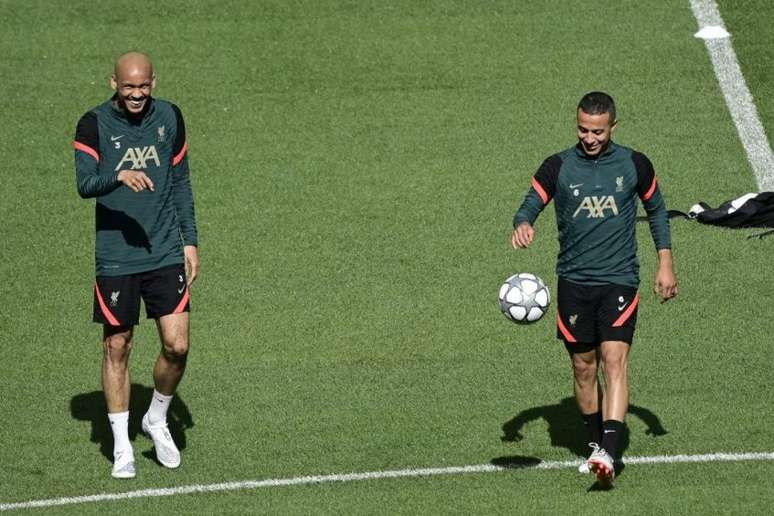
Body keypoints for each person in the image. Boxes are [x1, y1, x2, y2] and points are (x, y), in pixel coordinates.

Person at [511, 92, 677, 487]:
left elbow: (656, 210)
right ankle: (594, 447)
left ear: (613, 128)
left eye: (598, 131)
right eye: (583, 130)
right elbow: (530, 201)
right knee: (584, 368)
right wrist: (523, 222)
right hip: (574, 282)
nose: (589, 138)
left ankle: (609, 449)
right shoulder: (559, 166)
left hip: (620, 278)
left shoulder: (634, 163)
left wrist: (665, 263)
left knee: (614, 360)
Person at [73, 52, 199, 479]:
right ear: (113, 83)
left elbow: (180, 180)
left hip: (164, 248)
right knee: (118, 345)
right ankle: (123, 444)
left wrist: (191, 241)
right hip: (117, 256)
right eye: (129, 87)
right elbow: (84, 184)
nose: (137, 94)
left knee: (177, 345)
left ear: (154, 82)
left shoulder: (169, 117)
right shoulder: (93, 124)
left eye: (143, 86)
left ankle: (156, 417)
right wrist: (119, 176)